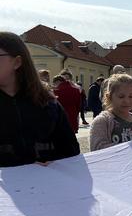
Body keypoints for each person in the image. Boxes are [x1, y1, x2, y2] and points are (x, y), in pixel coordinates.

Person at [0, 32, 79, 167]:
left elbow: (71, 151)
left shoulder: (48, 103)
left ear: (17, 62)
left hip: (46, 184)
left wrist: (52, 163)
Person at [89, 73, 132, 150]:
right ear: (109, 97)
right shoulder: (102, 121)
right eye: (121, 96)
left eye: (131, 96)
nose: (127, 101)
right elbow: (97, 150)